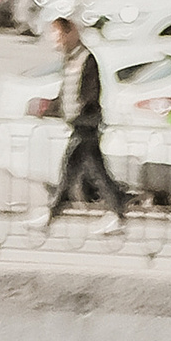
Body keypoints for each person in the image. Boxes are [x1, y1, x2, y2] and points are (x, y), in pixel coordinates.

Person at [42, 15, 127, 234]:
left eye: (58, 35)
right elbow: (66, 93)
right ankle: (117, 211)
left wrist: (80, 110)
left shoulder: (86, 59)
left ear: (71, 33)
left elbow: (90, 93)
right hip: (78, 124)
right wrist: (50, 108)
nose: (56, 41)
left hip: (86, 125)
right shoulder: (70, 60)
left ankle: (52, 212)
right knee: (95, 172)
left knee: (70, 167)